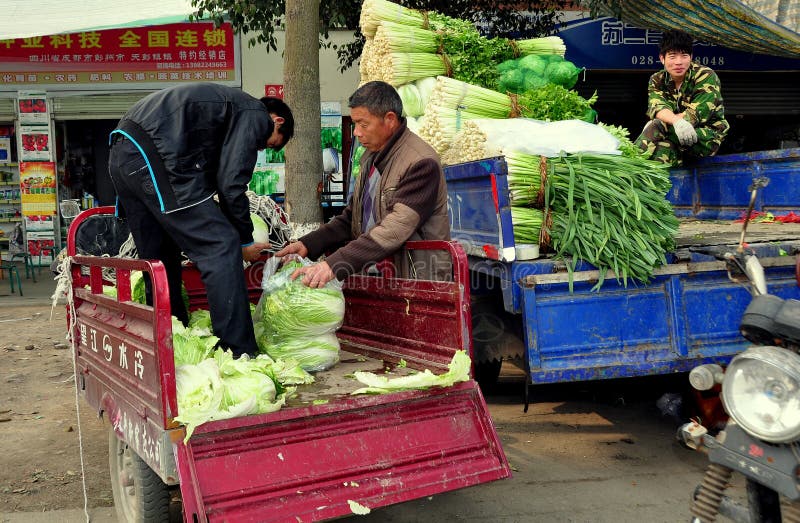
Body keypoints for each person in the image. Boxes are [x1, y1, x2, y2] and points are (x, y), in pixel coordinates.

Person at [108, 82, 294, 358]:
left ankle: (170, 335)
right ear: (276, 121)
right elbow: (231, 184)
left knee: (159, 254)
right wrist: (243, 239)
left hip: (123, 154)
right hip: (153, 155)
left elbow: (216, 180)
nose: (261, 148)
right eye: (267, 143)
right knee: (220, 245)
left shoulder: (224, 109)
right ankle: (238, 351)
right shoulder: (254, 113)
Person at [275, 80, 450, 287]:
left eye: (363, 124)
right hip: (380, 278)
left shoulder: (421, 163)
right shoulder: (371, 157)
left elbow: (394, 229)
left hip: (416, 282)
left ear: (390, 120)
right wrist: (308, 244)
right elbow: (352, 219)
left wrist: (333, 265)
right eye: (355, 124)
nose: (356, 132)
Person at [634, 30, 730, 166]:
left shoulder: (706, 76)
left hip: (706, 138)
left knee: (657, 125)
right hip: (674, 137)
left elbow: (695, 115)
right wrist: (674, 121)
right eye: (672, 56)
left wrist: (661, 122)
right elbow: (658, 108)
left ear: (691, 56)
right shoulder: (657, 79)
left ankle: (628, 166)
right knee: (663, 147)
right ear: (662, 58)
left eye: (684, 56)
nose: (678, 62)